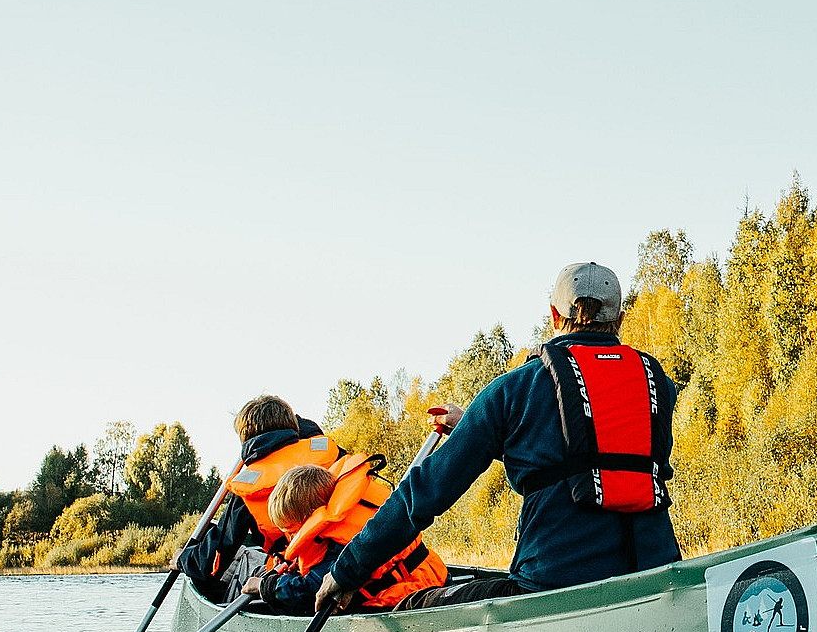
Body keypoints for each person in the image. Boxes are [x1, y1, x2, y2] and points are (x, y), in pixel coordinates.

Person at [316, 260, 682, 613]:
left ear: (553, 316)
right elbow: (589, 455)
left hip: (549, 587)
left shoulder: (514, 390)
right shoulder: (659, 389)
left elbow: (423, 493)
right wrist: (478, 427)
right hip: (653, 581)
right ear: (619, 320)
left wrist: (347, 570)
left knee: (413, 604)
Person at [171, 394, 342, 602]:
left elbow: (211, 563)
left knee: (223, 558)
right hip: (352, 562)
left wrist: (183, 559)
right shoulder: (334, 455)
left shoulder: (252, 483)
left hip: (298, 577)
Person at [242, 461, 447, 614]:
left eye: (293, 531)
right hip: (437, 577)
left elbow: (309, 591)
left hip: (399, 603)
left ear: (314, 517)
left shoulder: (340, 546)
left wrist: (264, 586)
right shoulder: (353, 523)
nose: (292, 538)